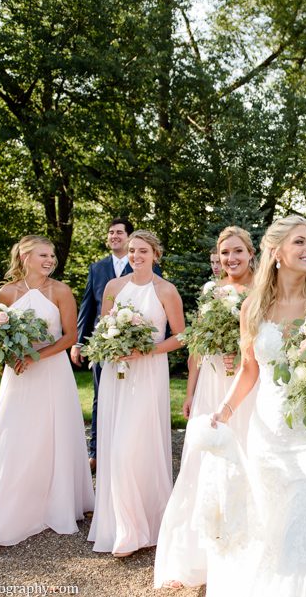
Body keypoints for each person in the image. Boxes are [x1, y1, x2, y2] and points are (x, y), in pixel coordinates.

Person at [208, 215, 306, 596]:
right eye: (300, 242)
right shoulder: (252, 306)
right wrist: (225, 410)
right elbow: (250, 370)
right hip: (267, 432)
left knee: (303, 521)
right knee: (270, 524)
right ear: (276, 251)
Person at [0, 236, 94, 554]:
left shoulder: (60, 291)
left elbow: (70, 336)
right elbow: (2, 334)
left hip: (52, 373)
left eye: (53, 256)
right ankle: (9, 507)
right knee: (14, 437)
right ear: (25, 256)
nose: (50, 260)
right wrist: (12, 357)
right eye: (43, 255)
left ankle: (60, 500)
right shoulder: (6, 292)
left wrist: (37, 355)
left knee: (53, 434)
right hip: (18, 375)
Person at [154, 226, 257, 589]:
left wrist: (243, 353)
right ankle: (195, 556)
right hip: (212, 384)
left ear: (251, 253)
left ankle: (246, 552)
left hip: (246, 385)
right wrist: (190, 390)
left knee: (245, 459)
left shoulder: (263, 290)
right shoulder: (211, 291)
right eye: (225, 252)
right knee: (201, 464)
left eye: (238, 252)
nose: (231, 259)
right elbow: (197, 343)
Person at [87, 230, 185, 557]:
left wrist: (148, 350)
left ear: (155, 254)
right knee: (116, 447)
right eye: (132, 250)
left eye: (143, 250)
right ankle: (119, 526)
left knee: (134, 446)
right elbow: (103, 330)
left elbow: (181, 337)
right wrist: (112, 346)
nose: (136, 256)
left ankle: (142, 526)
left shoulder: (166, 290)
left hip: (148, 373)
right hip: (117, 374)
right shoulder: (114, 287)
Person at [71, 218, 134, 472]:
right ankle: (97, 451)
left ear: (128, 237)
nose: (114, 236)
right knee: (101, 396)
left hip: (133, 346)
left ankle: (129, 449)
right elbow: (88, 307)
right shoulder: (97, 268)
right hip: (101, 344)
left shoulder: (143, 263)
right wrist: (78, 342)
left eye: (119, 232)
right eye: (111, 233)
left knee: (132, 396)